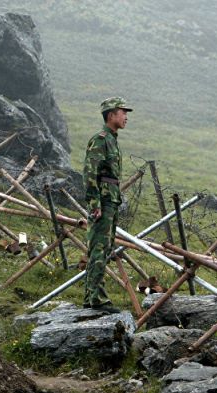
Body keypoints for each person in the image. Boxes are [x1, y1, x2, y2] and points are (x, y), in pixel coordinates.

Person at [82, 97, 132, 312]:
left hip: (111, 198)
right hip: (102, 199)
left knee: (106, 247)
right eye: (123, 112)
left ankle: (94, 296)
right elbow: (90, 173)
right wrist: (95, 203)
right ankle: (95, 299)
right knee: (98, 248)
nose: (126, 117)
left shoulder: (112, 140)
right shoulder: (100, 140)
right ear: (111, 114)